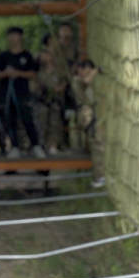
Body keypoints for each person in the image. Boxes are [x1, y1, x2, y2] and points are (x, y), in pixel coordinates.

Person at [0, 27, 45, 159]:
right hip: (6, 94)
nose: (13, 38)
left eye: (15, 35)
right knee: (9, 120)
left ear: (21, 37)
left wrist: (18, 73)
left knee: (28, 119)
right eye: (10, 36)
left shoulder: (27, 55)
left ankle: (35, 146)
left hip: (23, 93)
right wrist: (6, 73)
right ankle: (14, 147)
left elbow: (33, 73)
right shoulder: (3, 56)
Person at [71, 59, 104, 188]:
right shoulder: (77, 80)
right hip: (85, 113)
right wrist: (95, 71)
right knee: (96, 144)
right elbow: (86, 81)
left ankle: (99, 176)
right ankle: (99, 177)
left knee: (95, 144)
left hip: (89, 112)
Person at [35, 34, 68, 155]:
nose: (48, 57)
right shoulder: (38, 71)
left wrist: (61, 87)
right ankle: (41, 145)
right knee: (42, 123)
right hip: (42, 101)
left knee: (56, 123)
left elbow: (65, 80)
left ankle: (53, 145)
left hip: (56, 101)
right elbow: (36, 85)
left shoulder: (59, 69)